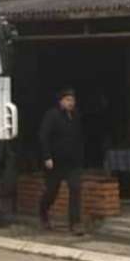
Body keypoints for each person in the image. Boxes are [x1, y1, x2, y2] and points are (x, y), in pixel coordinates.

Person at [39, 87, 86, 234]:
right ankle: (43, 212)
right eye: (68, 100)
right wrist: (47, 157)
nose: (71, 103)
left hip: (73, 162)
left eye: (73, 100)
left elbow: (79, 137)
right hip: (56, 162)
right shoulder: (52, 115)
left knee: (75, 188)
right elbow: (43, 136)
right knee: (52, 192)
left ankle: (75, 223)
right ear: (61, 101)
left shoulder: (76, 116)